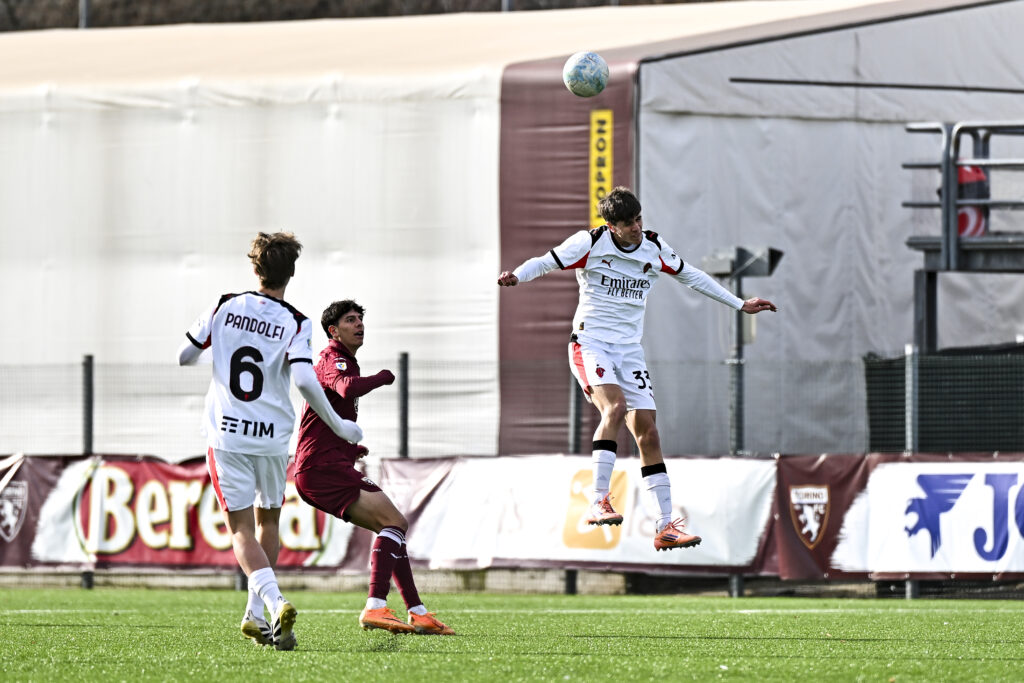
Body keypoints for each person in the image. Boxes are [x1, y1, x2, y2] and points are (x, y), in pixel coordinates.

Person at [497, 187, 777, 551]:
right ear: (611, 226)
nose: (636, 228)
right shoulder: (590, 243)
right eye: (628, 223)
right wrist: (517, 275)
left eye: (639, 219)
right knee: (613, 409)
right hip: (591, 344)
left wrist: (740, 304)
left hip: (629, 351)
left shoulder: (654, 247)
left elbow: (692, 275)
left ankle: (665, 526)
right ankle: (598, 500)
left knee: (648, 432)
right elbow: (546, 260)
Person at [177, 232, 364, 650]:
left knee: (241, 529)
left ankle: (274, 601)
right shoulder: (296, 321)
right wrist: (338, 424)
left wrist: (222, 351)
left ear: (255, 267)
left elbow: (184, 356)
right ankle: (255, 615)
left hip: (227, 436)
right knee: (269, 523)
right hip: (272, 438)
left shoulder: (225, 304)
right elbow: (302, 378)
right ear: (291, 273)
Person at [294, 300, 454, 636]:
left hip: (324, 465)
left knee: (392, 529)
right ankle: (375, 606)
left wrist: (351, 447)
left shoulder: (343, 359)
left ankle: (417, 611)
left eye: (360, 319)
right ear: (333, 331)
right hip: (321, 468)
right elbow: (345, 388)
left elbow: (329, 414)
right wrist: (381, 377)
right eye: (350, 320)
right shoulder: (333, 358)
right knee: (395, 522)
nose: (359, 324)